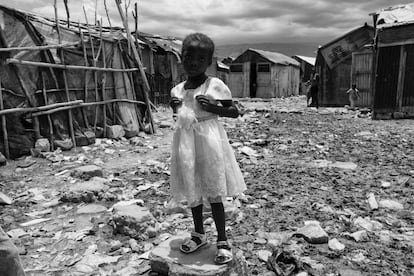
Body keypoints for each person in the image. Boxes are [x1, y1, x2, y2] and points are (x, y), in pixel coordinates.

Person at [169, 33, 246, 265]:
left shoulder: (214, 85)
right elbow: (181, 116)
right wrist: (174, 107)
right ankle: (199, 235)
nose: (193, 62)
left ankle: (222, 240)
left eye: (200, 59)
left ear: (209, 61)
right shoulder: (177, 90)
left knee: (213, 191)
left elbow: (234, 112)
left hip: (210, 141)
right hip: (186, 142)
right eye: (189, 57)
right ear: (181, 57)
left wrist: (214, 107)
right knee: (193, 190)